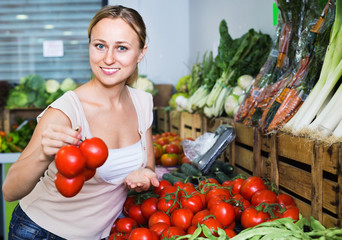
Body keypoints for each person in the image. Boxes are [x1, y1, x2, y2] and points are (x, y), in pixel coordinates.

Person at [2, 5, 159, 240]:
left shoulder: (143, 103)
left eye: (122, 48)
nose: (108, 58)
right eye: (100, 46)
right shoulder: (66, 111)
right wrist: (43, 154)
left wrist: (143, 175)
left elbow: (148, 167)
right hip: (40, 231)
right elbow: (9, 190)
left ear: (141, 53)